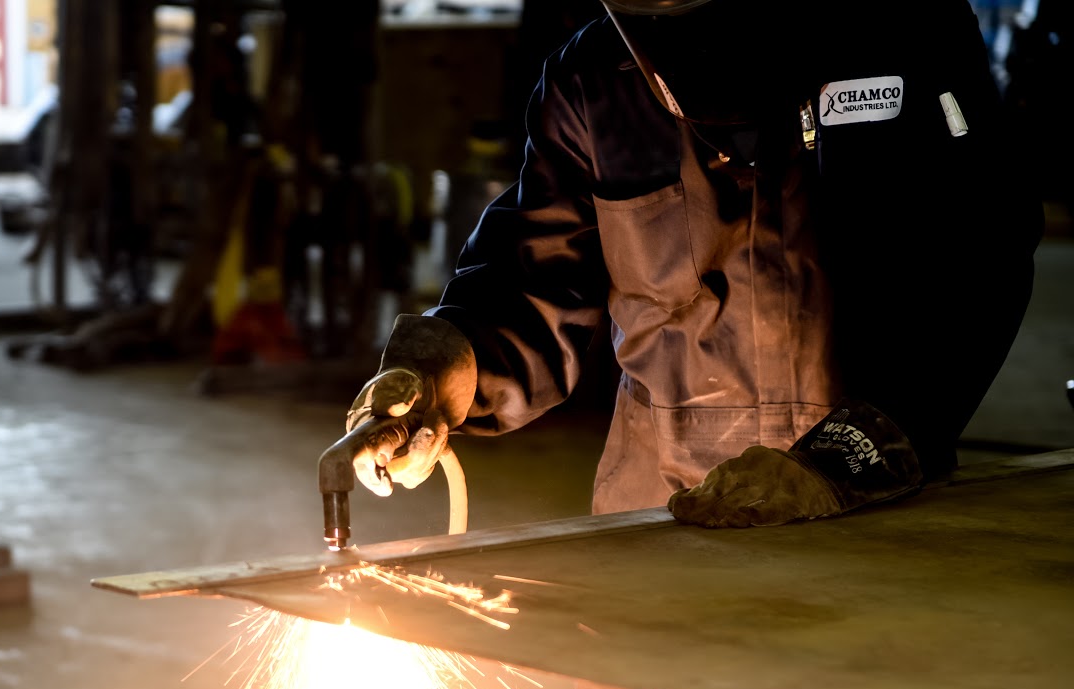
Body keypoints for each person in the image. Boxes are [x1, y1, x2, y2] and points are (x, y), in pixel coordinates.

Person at [342, 0, 1041, 529]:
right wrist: (446, 363)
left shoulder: (898, 34)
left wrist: (849, 456)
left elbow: (981, 259)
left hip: (860, 515)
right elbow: (535, 271)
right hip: (660, 525)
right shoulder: (593, 84)